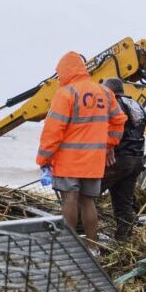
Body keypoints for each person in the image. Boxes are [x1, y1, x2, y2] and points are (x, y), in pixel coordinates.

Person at [36, 51, 126, 250]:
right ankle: (92, 247)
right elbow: (119, 120)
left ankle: (68, 247)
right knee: (88, 202)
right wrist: (109, 145)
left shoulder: (66, 93)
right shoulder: (104, 92)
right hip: (94, 160)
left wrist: (43, 158)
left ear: (65, 71)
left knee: (70, 199)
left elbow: (54, 130)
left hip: (69, 160)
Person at [101, 78, 146, 241]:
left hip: (118, 160)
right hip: (136, 160)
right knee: (123, 203)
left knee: (87, 193)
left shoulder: (114, 103)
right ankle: (123, 239)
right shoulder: (137, 105)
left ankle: (82, 235)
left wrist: (108, 148)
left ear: (110, 91)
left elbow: (112, 128)